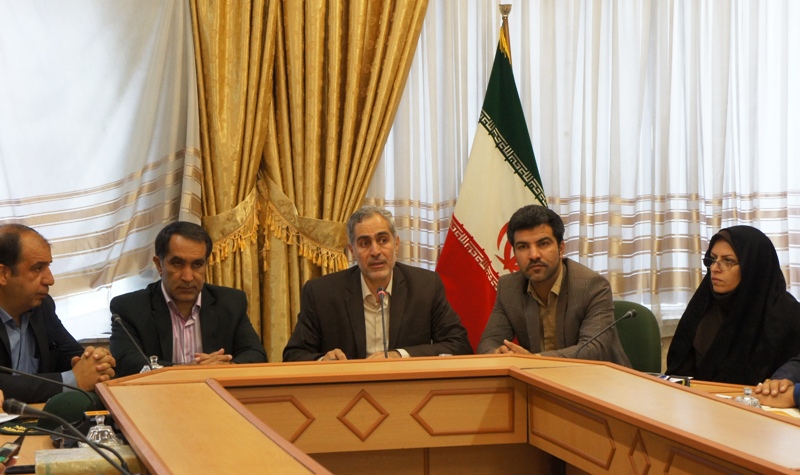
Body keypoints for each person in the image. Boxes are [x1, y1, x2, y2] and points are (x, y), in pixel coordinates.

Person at [283, 206, 472, 361]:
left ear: (396, 244)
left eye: (383, 240)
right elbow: (293, 355)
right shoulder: (321, 293)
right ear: (352, 251)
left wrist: (399, 355)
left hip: (406, 389)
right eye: (364, 243)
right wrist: (323, 360)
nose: (375, 251)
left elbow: (459, 345)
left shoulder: (426, 286)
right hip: (348, 389)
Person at [477, 205, 630, 367]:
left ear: (560, 248)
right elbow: (488, 343)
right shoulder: (509, 287)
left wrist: (534, 360)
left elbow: (593, 351)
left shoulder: (592, 286)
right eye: (523, 247)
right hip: (536, 378)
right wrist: (498, 353)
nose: (534, 255)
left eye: (543, 244)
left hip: (597, 378)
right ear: (514, 253)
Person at [109, 221, 267, 377]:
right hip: (157, 392)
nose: (188, 277)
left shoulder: (230, 302)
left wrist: (227, 367)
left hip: (215, 392)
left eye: (197, 265)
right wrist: (187, 371)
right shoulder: (130, 308)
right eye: (177, 263)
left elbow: (256, 354)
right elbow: (126, 363)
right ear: (159, 265)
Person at [666, 226, 800, 385]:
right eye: (712, 259)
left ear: (752, 265)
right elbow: (678, 371)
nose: (714, 268)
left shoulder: (787, 316)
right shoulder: (703, 305)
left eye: (728, 261)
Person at [0, 224, 115, 403]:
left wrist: (96, 363)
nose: (50, 280)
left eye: (48, 266)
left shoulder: (42, 307)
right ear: (3, 274)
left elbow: (70, 353)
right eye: (38, 268)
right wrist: (72, 380)